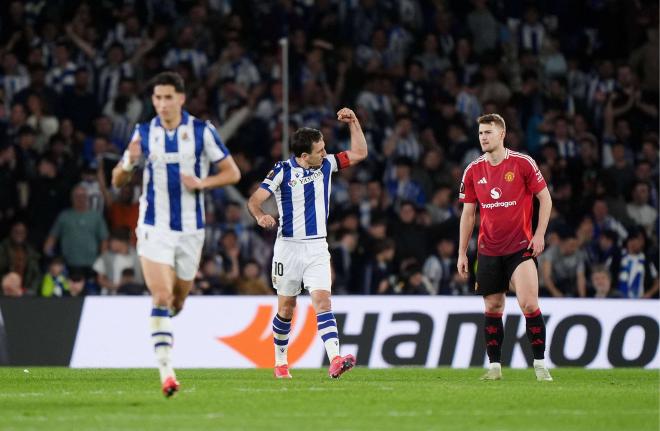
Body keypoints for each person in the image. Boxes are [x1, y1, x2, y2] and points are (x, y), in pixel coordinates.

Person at [111, 71, 241, 397]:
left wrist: (203, 183)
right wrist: (129, 165)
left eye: (169, 97)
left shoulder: (201, 131)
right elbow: (116, 181)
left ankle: (165, 325)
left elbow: (232, 172)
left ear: (181, 98)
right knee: (161, 296)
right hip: (154, 227)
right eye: (157, 98)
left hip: (191, 231)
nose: (162, 104)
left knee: (178, 301)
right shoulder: (143, 133)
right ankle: (166, 372)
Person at [247, 107, 367, 379]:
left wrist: (354, 123)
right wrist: (260, 215)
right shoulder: (281, 171)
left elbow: (360, 153)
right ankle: (280, 362)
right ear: (304, 156)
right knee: (286, 309)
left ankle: (335, 359)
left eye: (324, 148)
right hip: (288, 248)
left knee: (323, 302)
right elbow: (254, 200)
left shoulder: (327, 165)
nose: (325, 153)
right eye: (320, 150)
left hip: (316, 248)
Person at [457, 113, 554, 382]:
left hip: (520, 248)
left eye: (488, 132)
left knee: (529, 303)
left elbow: (545, 199)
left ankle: (540, 364)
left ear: (502, 134)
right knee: (493, 308)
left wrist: (539, 234)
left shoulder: (522, 163)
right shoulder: (473, 169)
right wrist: (462, 252)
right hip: (488, 250)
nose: (483, 137)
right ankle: (495, 367)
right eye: (480, 133)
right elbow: (468, 214)